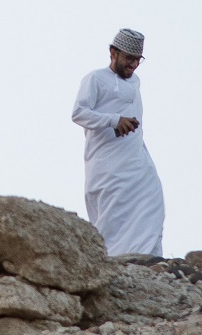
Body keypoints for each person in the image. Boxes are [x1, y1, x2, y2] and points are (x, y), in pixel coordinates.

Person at [70, 28, 165, 256]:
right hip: (107, 163)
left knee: (152, 200)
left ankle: (147, 259)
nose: (133, 65)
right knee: (113, 212)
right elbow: (78, 113)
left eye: (138, 60)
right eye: (128, 59)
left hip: (135, 159)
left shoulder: (136, 82)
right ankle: (110, 260)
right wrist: (114, 120)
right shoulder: (95, 78)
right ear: (113, 53)